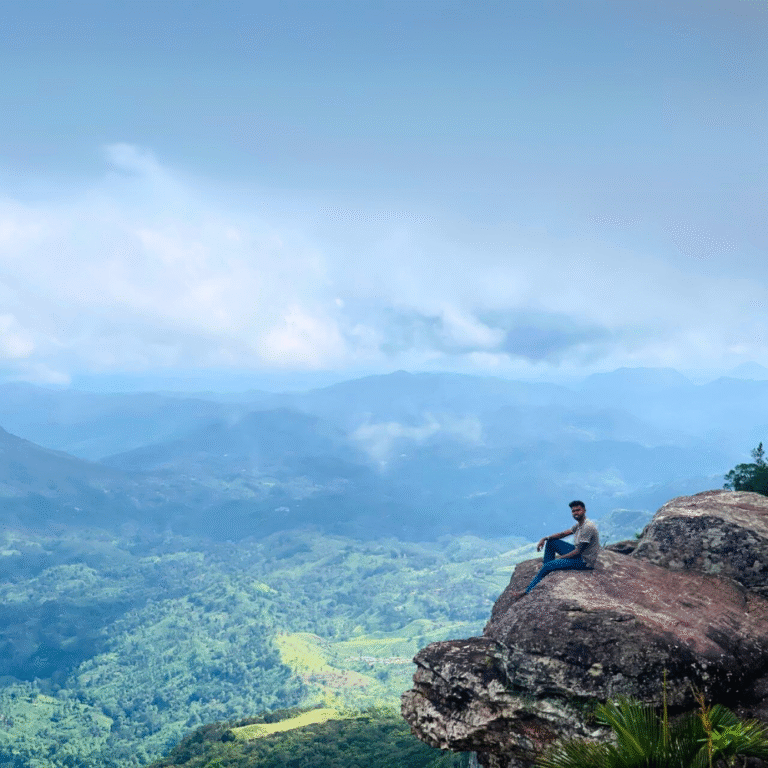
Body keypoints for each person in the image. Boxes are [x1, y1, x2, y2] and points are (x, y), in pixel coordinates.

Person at [513, 500, 600, 598]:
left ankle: (527, 590)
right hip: (580, 554)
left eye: (578, 510)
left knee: (548, 566)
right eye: (573, 511)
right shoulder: (580, 524)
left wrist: (560, 558)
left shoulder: (587, 527)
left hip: (584, 561)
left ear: (584, 510)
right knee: (551, 542)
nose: (575, 513)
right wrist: (545, 538)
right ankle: (547, 565)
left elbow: (578, 551)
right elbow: (563, 534)